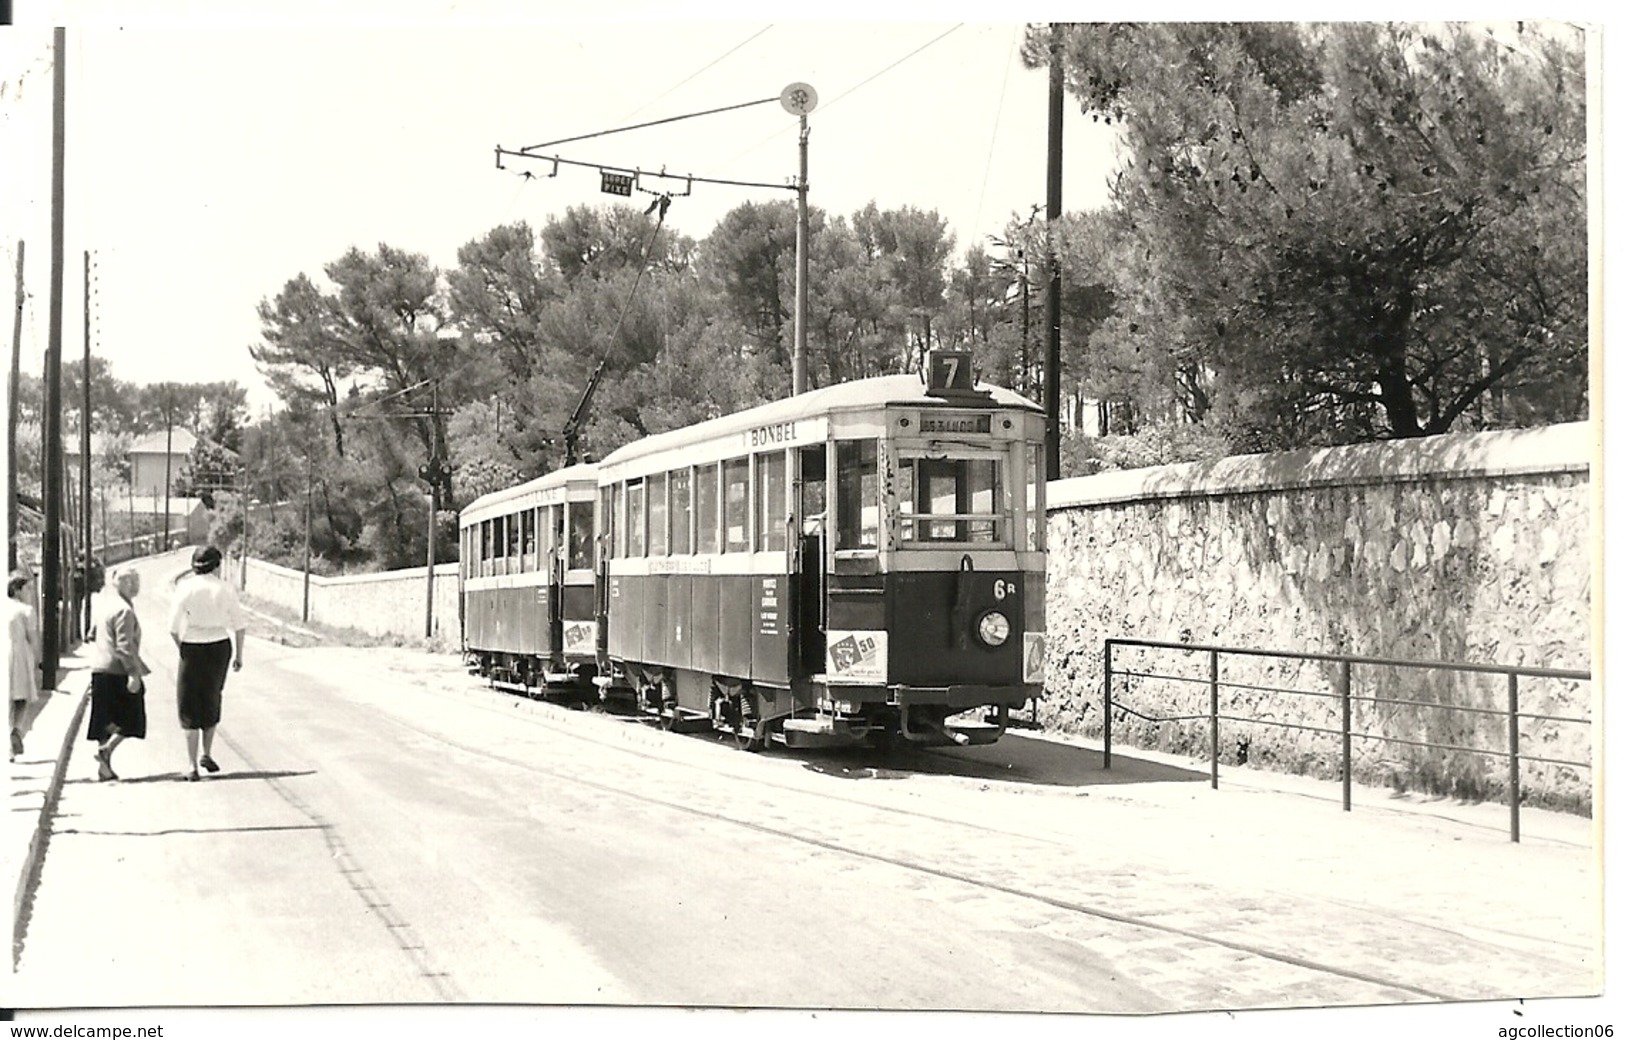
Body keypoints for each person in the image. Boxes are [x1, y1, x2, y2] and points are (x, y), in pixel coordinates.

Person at [168, 545, 245, 781]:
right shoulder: (225, 589)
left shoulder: (185, 588)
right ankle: (207, 752)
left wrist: (184, 649)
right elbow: (239, 626)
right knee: (212, 696)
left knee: (188, 701)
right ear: (217, 565)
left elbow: (172, 628)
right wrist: (238, 656)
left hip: (192, 645)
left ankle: (192, 765)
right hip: (219, 645)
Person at [85, 566, 150, 781]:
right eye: (135, 581)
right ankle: (107, 750)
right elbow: (124, 646)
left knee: (105, 719)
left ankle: (104, 769)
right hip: (117, 671)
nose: (137, 586)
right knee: (133, 717)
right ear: (125, 583)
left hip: (100, 669)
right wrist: (133, 673)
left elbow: (92, 633)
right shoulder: (124, 610)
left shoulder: (106, 605)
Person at [7, 571, 41, 762]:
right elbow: (33, 638)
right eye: (27, 588)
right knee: (21, 699)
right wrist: (37, 661)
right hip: (19, 656)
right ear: (16, 590)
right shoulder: (26, 610)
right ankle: (16, 731)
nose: (29, 592)